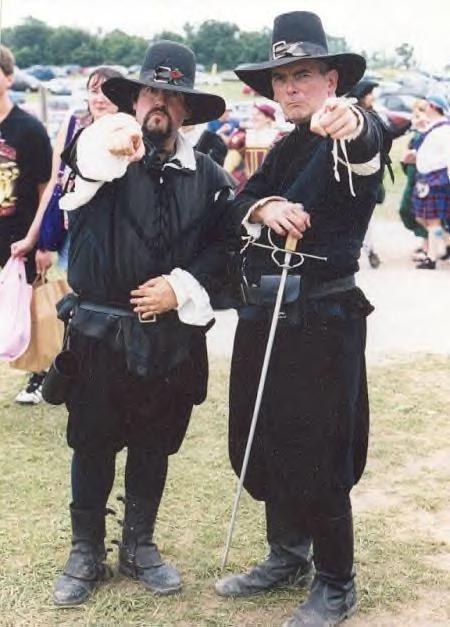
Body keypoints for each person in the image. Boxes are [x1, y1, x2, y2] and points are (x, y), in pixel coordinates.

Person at [214, 12, 390, 627]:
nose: (291, 88)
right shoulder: (286, 145)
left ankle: (336, 582)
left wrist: (356, 124)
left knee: (321, 448)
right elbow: (237, 202)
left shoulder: (348, 127)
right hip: (265, 315)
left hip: (324, 319)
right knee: (266, 436)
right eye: (282, 77)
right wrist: (267, 205)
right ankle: (287, 554)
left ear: (331, 79)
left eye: (305, 75)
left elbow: (368, 144)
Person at [51, 40, 232, 607]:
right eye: (153, 90)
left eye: (173, 96)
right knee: (93, 442)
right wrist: (114, 142)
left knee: (154, 443)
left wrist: (178, 287)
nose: (160, 103)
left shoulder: (206, 175)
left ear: (186, 110)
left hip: (170, 338)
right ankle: (86, 551)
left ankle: (139, 545)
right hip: (100, 332)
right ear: (136, 99)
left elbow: (223, 251)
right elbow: (85, 166)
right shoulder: (100, 153)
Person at [9, 67, 122, 404]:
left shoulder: (127, 132)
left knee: (101, 307)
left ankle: (97, 379)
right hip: (70, 232)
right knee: (60, 308)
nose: (99, 97)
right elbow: (53, 188)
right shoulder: (73, 125)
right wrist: (37, 238)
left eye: (107, 91)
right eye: (93, 90)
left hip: (111, 236)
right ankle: (45, 375)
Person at [0, 45, 52, 403]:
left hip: (19, 235)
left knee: (31, 309)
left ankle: (39, 376)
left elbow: (45, 187)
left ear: (7, 77)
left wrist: (42, 240)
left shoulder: (29, 129)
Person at [412, 94, 450, 269]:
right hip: (427, 177)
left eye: (427, 105)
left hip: (437, 177)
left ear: (434, 107)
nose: (425, 108)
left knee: (432, 220)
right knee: (422, 217)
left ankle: (431, 258)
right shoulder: (434, 127)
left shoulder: (444, 129)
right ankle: (448, 243)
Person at [398, 99, 429, 260]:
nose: (416, 119)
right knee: (407, 210)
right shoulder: (416, 134)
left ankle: (428, 247)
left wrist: (414, 157)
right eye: (415, 115)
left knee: (423, 212)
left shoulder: (432, 134)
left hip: (424, 180)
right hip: (412, 178)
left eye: (420, 115)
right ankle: (429, 243)